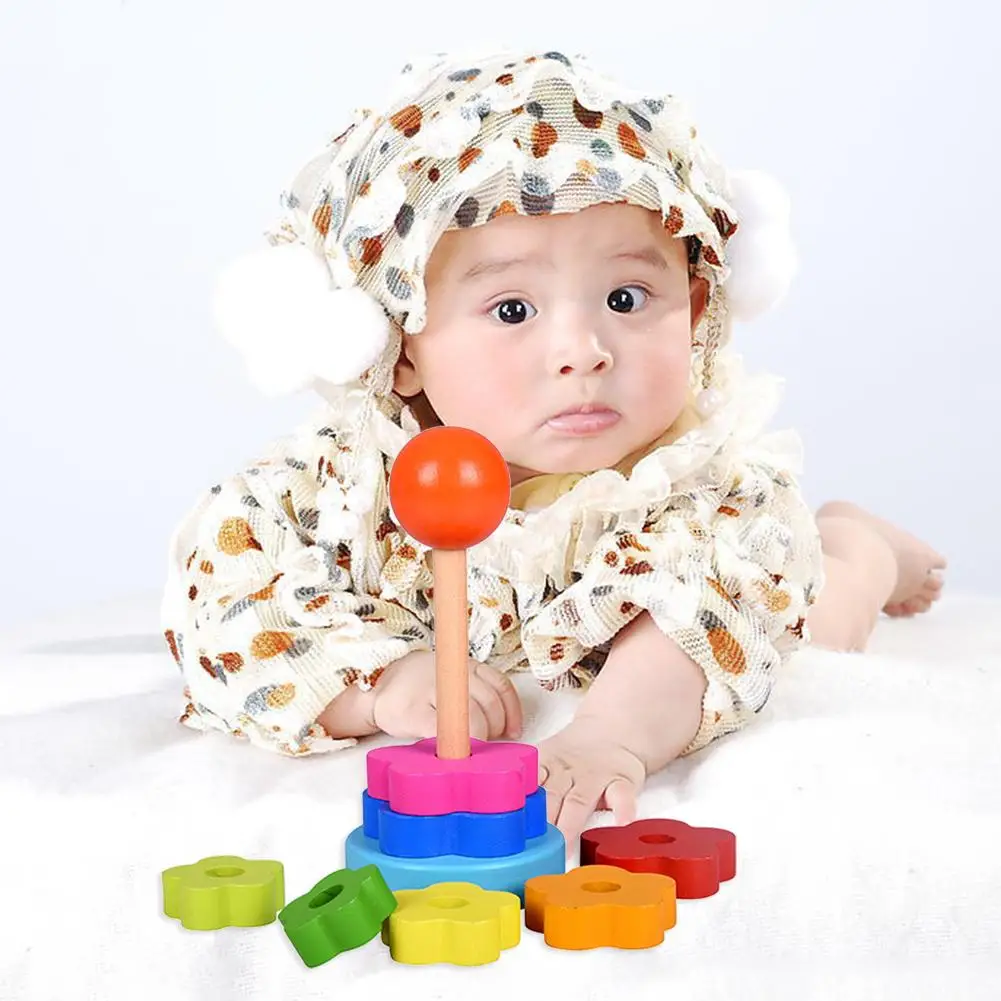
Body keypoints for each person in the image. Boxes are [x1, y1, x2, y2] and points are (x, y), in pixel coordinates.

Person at [161, 50, 945, 846]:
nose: (582, 351)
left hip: (728, 599)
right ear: (398, 349)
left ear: (694, 305)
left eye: (625, 298)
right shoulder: (341, 485)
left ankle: (860, 547)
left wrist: (611, 733)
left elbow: (697, 613)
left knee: (821, 618)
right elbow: (225, 598)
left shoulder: (704, 492)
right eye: (512, 310)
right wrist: (374, 683)